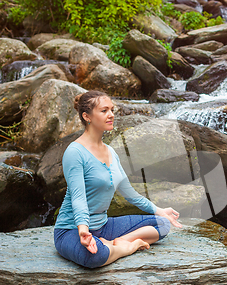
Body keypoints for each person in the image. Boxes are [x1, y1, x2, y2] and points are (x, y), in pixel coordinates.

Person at [54, 90, 182, 268]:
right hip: (71, 230)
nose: (111, 115)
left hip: (104, 226)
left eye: (112, 110)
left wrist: (159, 210)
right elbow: (78, 197)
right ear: (87, 116)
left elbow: (130, 193)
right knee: (94, 257)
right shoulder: (75, 152)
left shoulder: (111, 152)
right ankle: (127, 247)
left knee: (163, 225)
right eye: (104, 110)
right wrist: (83, 230)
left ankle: (114, 242)